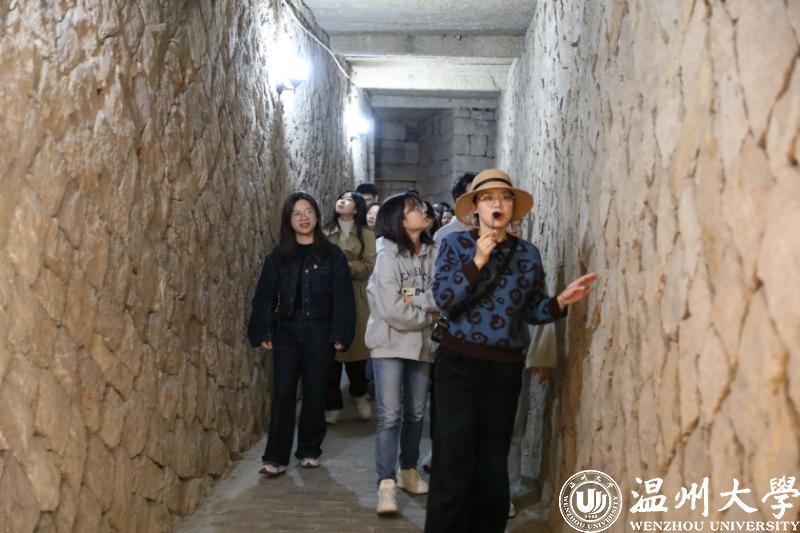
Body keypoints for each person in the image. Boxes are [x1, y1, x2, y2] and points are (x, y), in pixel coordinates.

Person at [424, 169, 597, 532]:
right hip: (457, 364)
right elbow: (444, 298)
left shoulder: (527, 255)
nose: (497, 203)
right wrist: (477, 261)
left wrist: (560, 302)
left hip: (503, 369)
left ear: (513, 208)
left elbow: (532, 311)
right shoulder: (455, 245)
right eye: (488, 198)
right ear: (475, 208)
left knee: (492, 462)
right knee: (453, 456)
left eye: (504, 197)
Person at [247, 192, 356, 477]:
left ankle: (309, 450)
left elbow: (344, 298)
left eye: (308, 211)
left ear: (317, 215)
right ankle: (275, 457)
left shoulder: (333, 256)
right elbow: (264, 297)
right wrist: (263, 330)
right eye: (296, 213)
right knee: (283, 392)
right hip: (287, 332)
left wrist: (341, 333)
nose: (303, 218)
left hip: (321, 332)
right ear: (289, 220)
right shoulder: (278, 257)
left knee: (315, 392)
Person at [365, 192, 439, 515]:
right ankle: (386, 482)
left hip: (422, 345)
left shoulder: (434, 252)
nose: (422, 210)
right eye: (413, 208)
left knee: (416, 414)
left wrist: (416, 299)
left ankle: (408, 470)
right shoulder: (386, 255)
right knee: (390, 415)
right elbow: (392, 308)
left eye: (420, 206)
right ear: (399, 219)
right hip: (389, 344)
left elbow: (440, 295)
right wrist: (427, 315)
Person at [323, 190, 376, 423]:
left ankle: (359, 394)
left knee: (357, 355)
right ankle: (333, 403)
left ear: (356, 208)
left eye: (348, 199)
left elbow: (369, 266)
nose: (341, 201)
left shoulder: (366, 234)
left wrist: (341, 264)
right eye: (340, 197)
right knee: (330, 357)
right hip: (328, 298)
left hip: (357, 297)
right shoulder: (325, 232)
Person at [432, 172, 476, 246]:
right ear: (458, 201)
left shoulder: (491, 228)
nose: (480, 201)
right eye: (474, 197)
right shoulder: (443, 235)